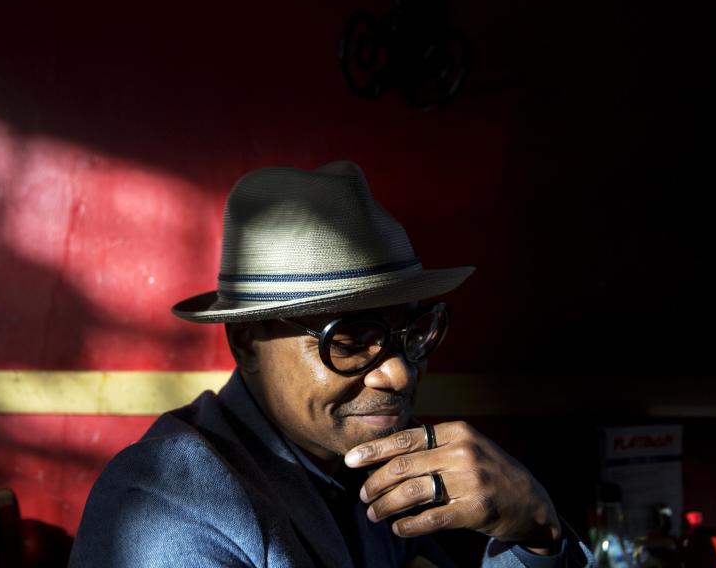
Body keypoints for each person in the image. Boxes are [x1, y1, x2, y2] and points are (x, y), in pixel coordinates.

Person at [70, 161, 594, 567]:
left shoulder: (371, 456)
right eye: (348, 339)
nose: (400, 373)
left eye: (414, 333)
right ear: (248, 341)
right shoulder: (167, 501)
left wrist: (537, 532)